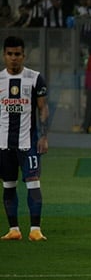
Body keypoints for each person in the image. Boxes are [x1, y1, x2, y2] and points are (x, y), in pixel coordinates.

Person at [0, 36, 50, 242]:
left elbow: (43, 108)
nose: (14, 58)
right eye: (10, 54)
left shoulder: (35, 78)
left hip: (28, 142)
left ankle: (35, 230)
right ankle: (14, 230)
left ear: (24, 55)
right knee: (8, 186)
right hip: (3, 144)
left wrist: (44, 135)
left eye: (17, 54)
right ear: (4, 55)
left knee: (33, 183)